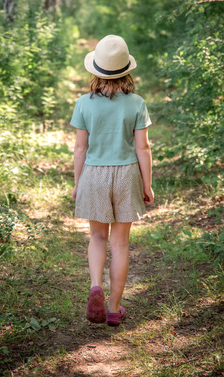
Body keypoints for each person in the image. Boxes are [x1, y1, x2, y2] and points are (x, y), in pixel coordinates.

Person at [70, 34, 154, 327]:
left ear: (95, 69)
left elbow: (80, 148)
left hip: (94, 173)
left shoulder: (83, 103)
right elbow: (143, 148)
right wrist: (146, 185)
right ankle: (114, 309)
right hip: (126, 174)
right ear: (126, 70)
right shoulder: (137, 103)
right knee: (120, 244)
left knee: (96, 237)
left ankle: (96, 285)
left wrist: (78, 183)